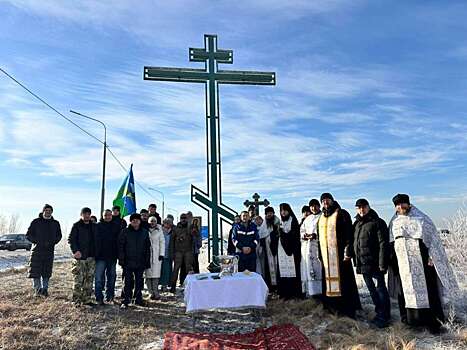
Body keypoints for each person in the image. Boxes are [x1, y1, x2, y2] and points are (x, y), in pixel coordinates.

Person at [388, 194, 459, 333]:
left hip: (422, 263)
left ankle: (433, 322)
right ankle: (412, 321)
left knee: (428, 292)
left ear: (408, 204)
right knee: (407, 293)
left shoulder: (421, 219)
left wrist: (432, 257)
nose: (400, 207)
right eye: (397, 205)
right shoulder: (394, 221)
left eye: (403, 204)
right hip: (403, 266)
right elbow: (391, 242)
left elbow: (433, 240)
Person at [317, 193, 361, 318]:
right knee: (328, 282)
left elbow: (349, 233)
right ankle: (331, 307)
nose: (325, 202)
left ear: (332, 200)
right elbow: (319, 239)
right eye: (323, 200)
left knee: (344, 281)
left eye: (327, 199)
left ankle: (346, 308)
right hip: (326, 256)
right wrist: (320, 254)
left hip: (340, 255)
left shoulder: (341, 213)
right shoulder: (322, 217)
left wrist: (348, 249)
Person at [351, 199, 390, 328]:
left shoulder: (377, 222)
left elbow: (383, 244)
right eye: (359, 208)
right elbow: (354, 243)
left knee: (380, 289)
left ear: (368, 207)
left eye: (364, 207)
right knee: (372, 290)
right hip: (363, 263)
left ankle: (384, 316)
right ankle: (379, 313)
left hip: (375, 263)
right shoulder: (356, 224)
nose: (362, 210)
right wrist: (350, 256)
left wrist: (382, 263)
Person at [26, 204, 62, 297]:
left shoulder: (55, 223)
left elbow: (59, 236)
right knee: (35, 271)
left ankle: (45, 289)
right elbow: (28, 235)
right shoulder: (36, 222)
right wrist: (37, 241)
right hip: (37, 250)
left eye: (50, 210)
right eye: (46, 210)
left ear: (52, 212)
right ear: (43, 211)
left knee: (46, 271)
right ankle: (37, 290)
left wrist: (52, 242)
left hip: (49, 250)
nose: (48, 212)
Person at [270, 203, 302, 300]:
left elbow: (295, 235)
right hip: (281, 249)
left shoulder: (293, 221)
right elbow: (276, 234)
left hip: (291, 250)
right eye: (281, 211)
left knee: (293, 271)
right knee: (282, 271)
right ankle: (284, 293)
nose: (283, 212)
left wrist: (283, 234)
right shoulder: (280, 222)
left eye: (285, 210)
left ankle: (293, 293)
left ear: (289, 211)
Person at [118, 213, 151, 308]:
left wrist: (147, 261)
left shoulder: (144, 232)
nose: (135, 222)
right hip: (128, 261)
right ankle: (126, 299)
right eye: (133, 220)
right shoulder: (125, 232)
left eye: (137, 220)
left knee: (139, 281)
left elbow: (147, 247)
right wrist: (121, 259)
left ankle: (138, 298)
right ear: (131, 222)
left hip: (140, 261)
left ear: (140, 221)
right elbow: (121, 247)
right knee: (127, 281)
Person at [68, 207, 97, 305]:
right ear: (81, 214)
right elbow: (71, 240)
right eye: (85, 214)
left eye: (88, 214)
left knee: (89, 279)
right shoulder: (76, 226)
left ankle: (86, 299)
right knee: (78, 279)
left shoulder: (94, 226)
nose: (87, 215)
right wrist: (75, 251)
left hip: (91, 257)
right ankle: (76, 300)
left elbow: (97, 240)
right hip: (80, 257)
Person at [94, 209, 119, 305]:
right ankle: (98, 297)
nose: (107, 217)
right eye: (105, 215)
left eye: (109, 215)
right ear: (102, 216)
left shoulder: (116, 226)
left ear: (111, 216)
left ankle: (110, 296)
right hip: (100, 256)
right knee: (99, 277)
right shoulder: (97, 226)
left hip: (112, 256)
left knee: (112, 277)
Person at [301, 199, 322, 298]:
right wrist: (304, 235)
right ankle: (312, 293)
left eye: (315, 206)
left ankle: (321, 292)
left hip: (318, 247)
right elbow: (302, 230)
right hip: (308, 247)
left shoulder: (323, 216)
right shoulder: (308, 218)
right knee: (309, 270)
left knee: (319, 269)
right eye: (311, 206)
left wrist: (315, 235)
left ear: (319, 206)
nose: (313, 208)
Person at [169, 213, 196, 293]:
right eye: (182, 218)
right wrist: (171, 253)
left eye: (185, 218)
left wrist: (194, 230)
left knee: (188, 269)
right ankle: (173, 286)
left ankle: (189, 286)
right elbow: (171, 242)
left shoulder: (190, 227)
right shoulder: (176, 228)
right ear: (180, 219)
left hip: (188, 251)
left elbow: (196, 235)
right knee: (176, 269)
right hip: (178, 252)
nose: (183, 219)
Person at [255, 212, 278, 291]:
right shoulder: (256, 229)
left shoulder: (270, 226)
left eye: (259, 220)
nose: (258, 221)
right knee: (261, 267)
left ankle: (274, 286)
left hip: (270, 250)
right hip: (260, 250)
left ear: (262, 220)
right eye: (256, 220)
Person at [145, 216, 165, 300]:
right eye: (151, 221)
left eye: (154, 221)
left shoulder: (159, 231)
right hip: (147, 254)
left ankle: (156, 292)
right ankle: (150, 292)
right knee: (148, 275)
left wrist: (161, 254)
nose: (152, 223)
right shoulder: (145, 230)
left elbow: (162, 242)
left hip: (156, 255)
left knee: (156, 275)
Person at [180, 212, 202, 283]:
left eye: (190, 216)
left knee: (195, 264)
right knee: (184, 265)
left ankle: (196, 279)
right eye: (187, 217)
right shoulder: (183, 226)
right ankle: (183, 280)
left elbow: (199, 236)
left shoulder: (195, 227)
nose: (189, 218)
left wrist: (198, 244)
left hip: (194, 249)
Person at [160, 219, 174, 293]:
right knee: (163, 270)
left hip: (170, 253)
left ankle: (167, 284)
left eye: (169, 223)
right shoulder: (160, 231)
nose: (168, 225)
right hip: (162, 254)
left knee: (168, 270)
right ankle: (163, 285)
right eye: (167, 223)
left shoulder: (172, 231)